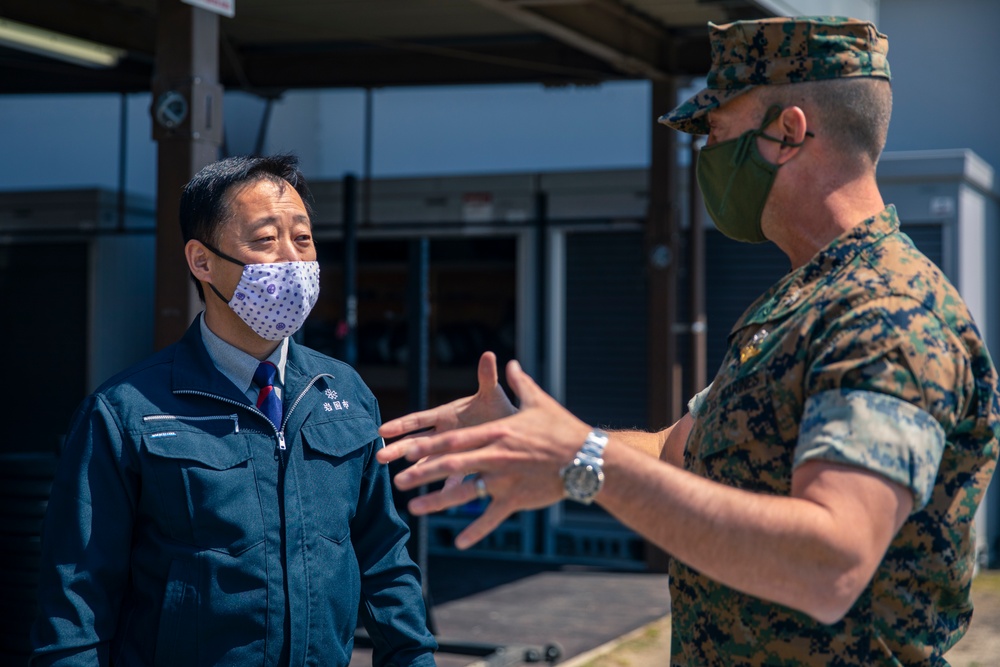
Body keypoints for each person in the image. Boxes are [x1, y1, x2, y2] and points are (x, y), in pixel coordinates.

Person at [375, 16, 1000, 666]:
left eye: (718, 132)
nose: (705, 157)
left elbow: (831, 562)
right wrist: (535, 442)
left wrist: (585, 460)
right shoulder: (802, 301)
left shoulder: (885, 310)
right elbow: (681, 450)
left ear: (787, 132)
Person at [30, 155, 437, 667]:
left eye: (303, 239)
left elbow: (383, 558)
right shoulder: (126, 412)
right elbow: (77, 598)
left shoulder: (344, 391)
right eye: (267, 240)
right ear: (201, 261)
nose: (293, 260)